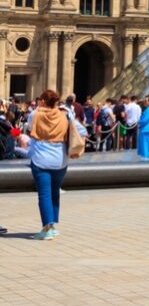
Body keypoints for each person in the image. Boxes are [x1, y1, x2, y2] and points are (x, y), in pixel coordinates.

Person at [28, 89, 86, 240]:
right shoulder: (66, 113)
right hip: (60, 160)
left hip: (41, 158)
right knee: (54, 192)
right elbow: (82, 130)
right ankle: (52, 226)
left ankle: (46, 228)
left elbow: (29, 128)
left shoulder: (35, 114)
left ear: (42, 101)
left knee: (44, 194)